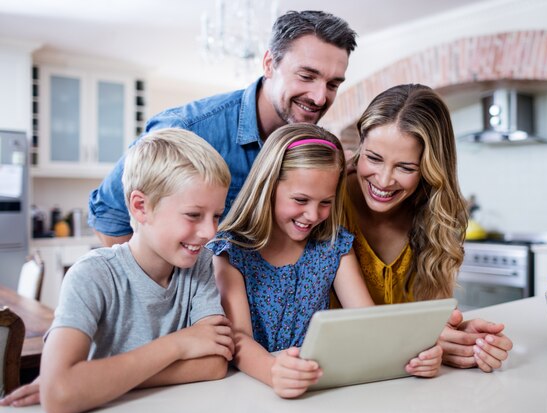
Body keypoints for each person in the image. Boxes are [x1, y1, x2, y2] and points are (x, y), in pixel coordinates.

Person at [0, 128, 235, 413]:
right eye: (193, 215)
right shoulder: (92, 275)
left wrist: (97, 380)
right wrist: (179, 345)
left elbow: (214, 363)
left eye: (216, 216)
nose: (210, 232)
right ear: (140, 207)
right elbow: (59, 395)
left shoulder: (200, 265)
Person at [208, 123, 443, 399]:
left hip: (315, 388)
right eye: (300, 199)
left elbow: (368, 322)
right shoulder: (232, 250)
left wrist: (418, 355)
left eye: (325, 202)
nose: (312, 214)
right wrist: (275, 371)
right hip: (251, 388)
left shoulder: (333, 246)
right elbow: (238, 339)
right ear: (268, 186)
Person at [89, 10, 357, 247]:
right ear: (269, 64)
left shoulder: (315, 148)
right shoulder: (186, 129)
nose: (320, 97)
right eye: (306, 76)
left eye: (333, 84)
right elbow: (109, 216)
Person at [341, 84, 513, 372]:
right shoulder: (328, 201)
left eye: (405, 168)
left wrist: (463, 340)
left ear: (430, 167)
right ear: (360, 146)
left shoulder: (440, 216)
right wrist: (423, 339)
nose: (383, 180)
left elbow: (433, 322)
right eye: (373, 158)